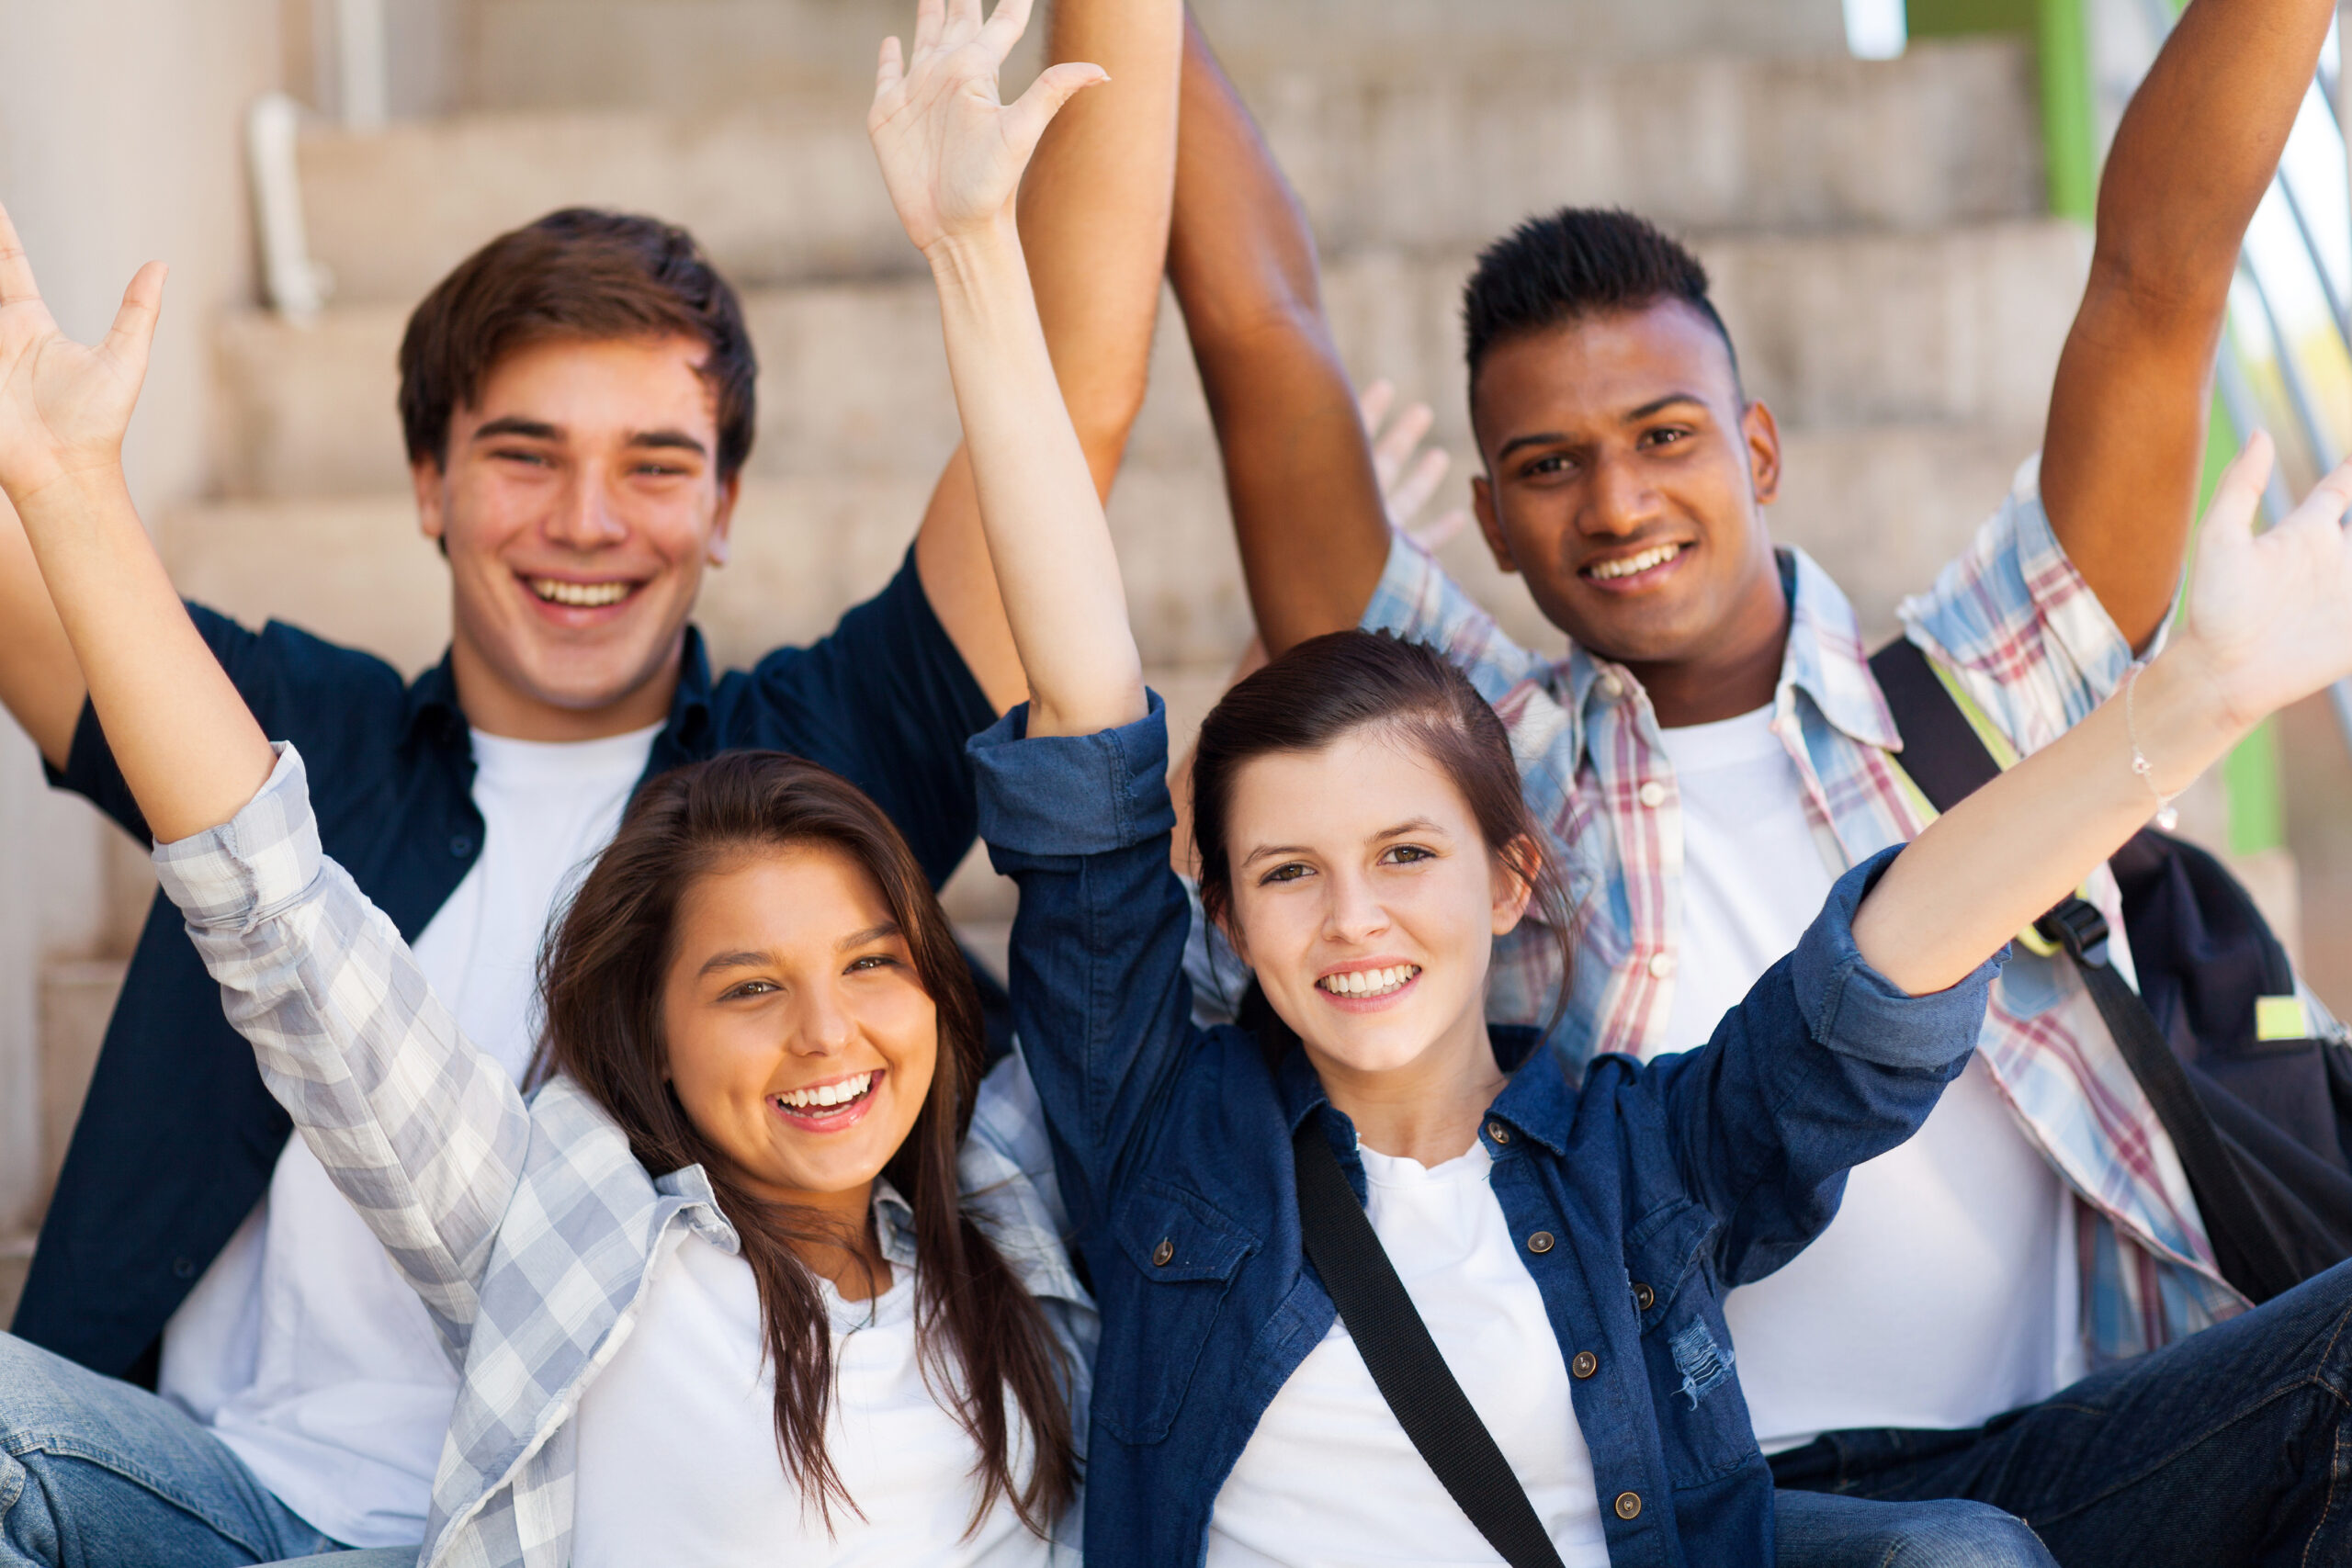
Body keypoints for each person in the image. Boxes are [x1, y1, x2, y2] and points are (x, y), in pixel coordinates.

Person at [858, 0, 2347, 1562]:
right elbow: (1261, 332)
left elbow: (2161, 274)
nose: (1620, 500)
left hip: (2091, 1430)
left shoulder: (1987, 686)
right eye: (1551, 467)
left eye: (1664, 435)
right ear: (1491, 524)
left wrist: (2192, 700)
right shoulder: (1476, 770)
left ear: (1758, 449)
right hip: (1727, 1494)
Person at [0, 0, 1178, 1561]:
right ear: (428, 481)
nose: (588, 520)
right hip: (216, 1495)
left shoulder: (810, 780)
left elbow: (1075, 394)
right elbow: (216, 823)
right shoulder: (285, 733)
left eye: (656, 464)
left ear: (729, 504)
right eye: (525, 453)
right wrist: (58, 466)